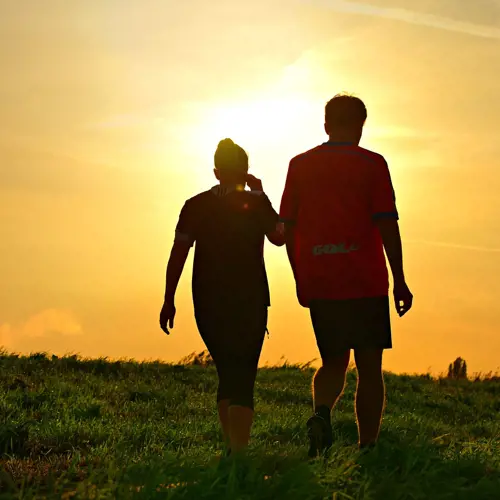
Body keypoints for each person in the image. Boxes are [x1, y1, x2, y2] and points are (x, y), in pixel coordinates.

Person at [279, 93, 413, 457]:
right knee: (369, 368)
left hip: (321, 278)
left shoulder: (299, 164)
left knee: (333, 361)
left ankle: (322, 412)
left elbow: (288, 228)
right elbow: (387, 224)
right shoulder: (373, 164)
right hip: (365, 280)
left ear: (326, 125)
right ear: (361, 126)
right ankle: (366, 446)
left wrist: (299, 275)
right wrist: (399, 278)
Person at [160, 138, 284, 455]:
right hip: (251, 298)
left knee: (227, 371)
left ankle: (232, 448)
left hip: (207, 299)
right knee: (243, 373)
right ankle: (238, 454)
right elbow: (280, 237)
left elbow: (178, 253)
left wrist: (168, 298)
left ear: (216, 172)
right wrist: (262, 194)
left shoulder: (195, 205)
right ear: (246, 172)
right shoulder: (256, 203)